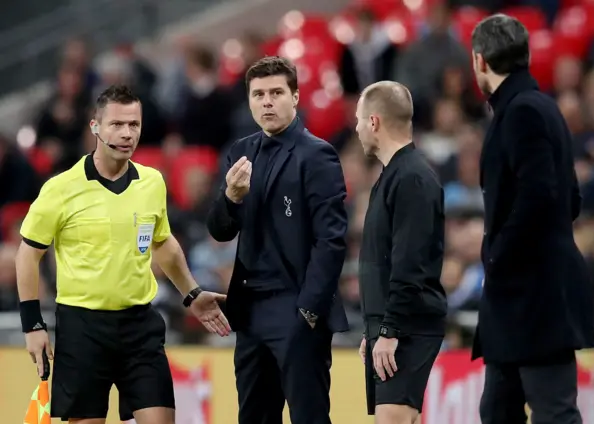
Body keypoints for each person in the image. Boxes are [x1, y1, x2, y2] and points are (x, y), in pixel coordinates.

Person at [15, 85, 231, 424]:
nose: (127, 133)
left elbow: (163, 242)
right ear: (95, 127)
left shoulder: (152, 183)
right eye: (117, 124)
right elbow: (28, 254)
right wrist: (33, 325)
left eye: (134, 124)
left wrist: (191, 293)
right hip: (82, 327)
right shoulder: (61, 188)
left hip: (139, 326)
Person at [206, 56, 349, 424]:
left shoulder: (317, 155)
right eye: (258, 95)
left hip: (295, 305)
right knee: (253, 416)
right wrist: (230, 198)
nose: (266, 102)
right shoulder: (240, 151)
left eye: (276, 93)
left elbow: (331, 240)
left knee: (309, 415)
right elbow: (219, 230)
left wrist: (309, 311)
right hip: (251, 308)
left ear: (296, 96)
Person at [470, 15, 594, 424]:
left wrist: (500, 253)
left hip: (534, 293)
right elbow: (570, 199)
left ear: (480, 61)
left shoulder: (521, 111)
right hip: (520, 295)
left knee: (553, 411)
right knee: (498, 410)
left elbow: (541, 198)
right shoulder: (539, 107)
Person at [355, 80, 447, 424]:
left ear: (374, 122)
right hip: (393, 325)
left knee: (393, 419)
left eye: (360, 120)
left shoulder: (411, 178)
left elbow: (410, 262)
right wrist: (375, 327)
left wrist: (389, 330)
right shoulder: (394, 175)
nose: (357, 128)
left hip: (407, 326)